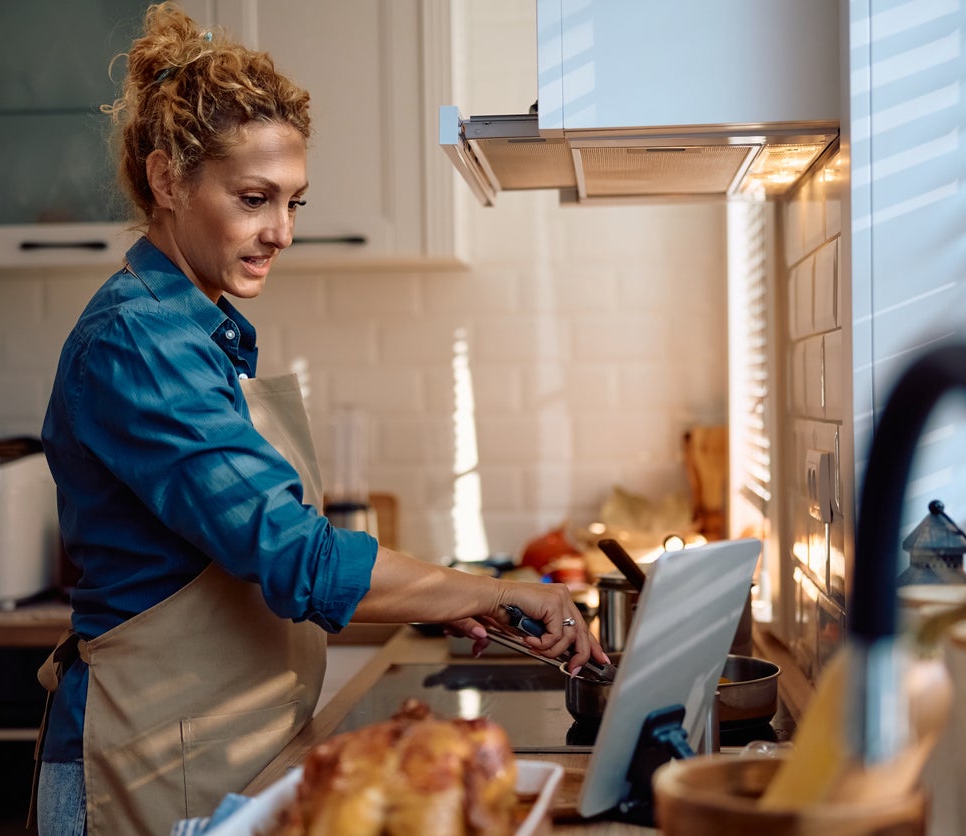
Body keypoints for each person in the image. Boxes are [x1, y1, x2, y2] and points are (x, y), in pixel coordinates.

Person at [31, 4, 605, 835]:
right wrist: (485, 586)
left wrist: (443, 599)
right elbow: (294, 556)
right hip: (144, 765)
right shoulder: (138, 344)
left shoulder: (197, 329)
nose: (283, 232)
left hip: (213, 753)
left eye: (294, 201)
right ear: (165, 181)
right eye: (255, 199)